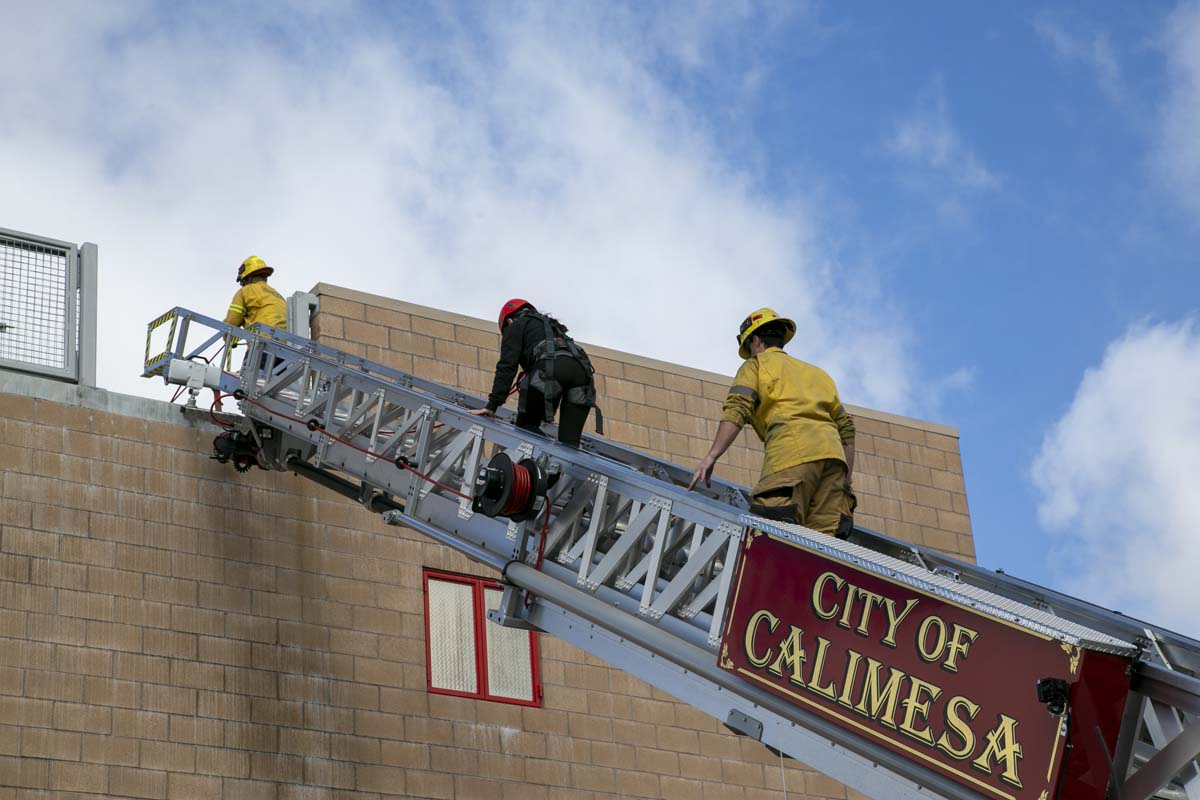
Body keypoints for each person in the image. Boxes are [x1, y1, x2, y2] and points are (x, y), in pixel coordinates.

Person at [688, 308, 856, 538]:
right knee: (820, 549)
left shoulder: (756, 365)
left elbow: (737, 409)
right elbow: (846, 429)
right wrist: (844, 481)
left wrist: (711, 456)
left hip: (791, 454)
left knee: (773, 533)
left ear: (756, 340)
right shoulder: (818, 374)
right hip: (834, 460)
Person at [470, 299, 597, 447]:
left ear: (509, 320)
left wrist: (492, 406)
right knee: (569, 444)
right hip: (583, 373)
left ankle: (541, 462)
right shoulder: (553, 327)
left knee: (526, 428)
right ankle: (561, 468)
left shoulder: (515, 326)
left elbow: (507, 366)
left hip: (551, 370)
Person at [225, 256, 286, 331]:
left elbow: (232, 322)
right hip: (289, 339)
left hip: (264, 337)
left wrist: (227, 338)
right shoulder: (278, 296)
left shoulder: (245, 291)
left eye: (242, 282)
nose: (241, 285)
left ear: (249, 278)